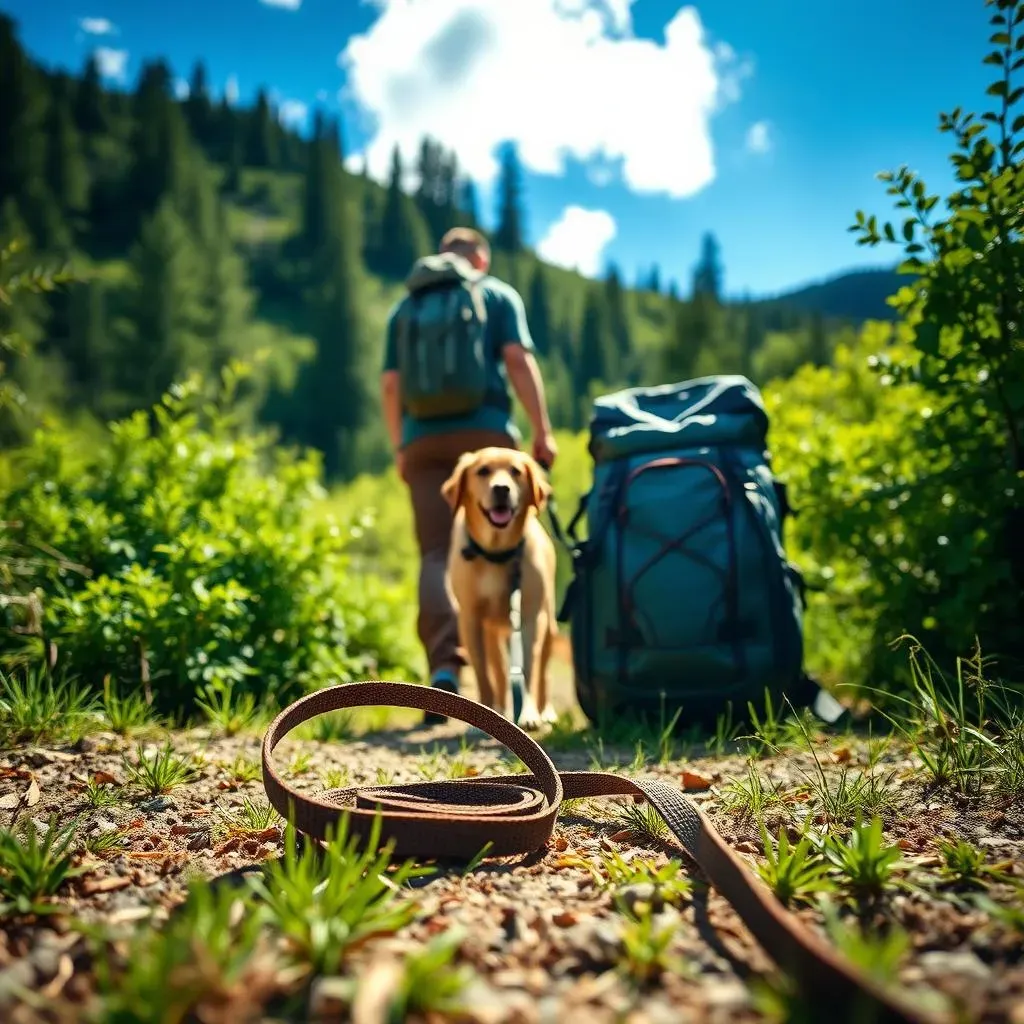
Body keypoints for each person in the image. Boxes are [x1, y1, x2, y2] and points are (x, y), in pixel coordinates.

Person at [380, 226, 558, 723]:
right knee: (515, 538)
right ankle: (521, 683)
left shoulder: (404, 310)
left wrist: (401, 445)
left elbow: (391, 385)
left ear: (441, 259)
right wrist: (542, 429)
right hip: (488, 434)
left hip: (422, 442)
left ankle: (446, 672)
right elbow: (517, 360)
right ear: (479, 260)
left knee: (438, 553)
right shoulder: (495, 294)